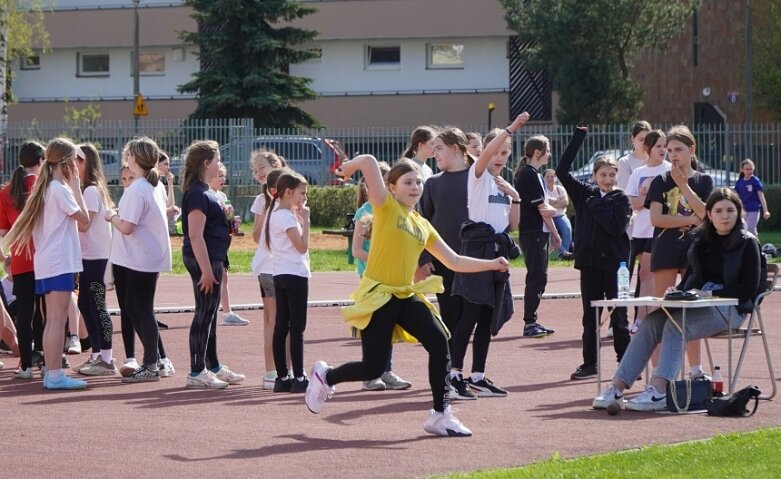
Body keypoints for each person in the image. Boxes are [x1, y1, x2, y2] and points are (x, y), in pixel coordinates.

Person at [305, 155, 510, 438]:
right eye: (408, 182)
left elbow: (453, 260)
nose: (415, 187)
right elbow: (368, 161)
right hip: (379, 295)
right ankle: (325, 376)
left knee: (440, 341)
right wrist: (350, 166)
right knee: (373, 367)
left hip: (405, 294)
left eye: (418, 182)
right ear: (392, 188)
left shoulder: (422, 224)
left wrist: (491, 264)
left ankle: (440, 414)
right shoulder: (385, 207)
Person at [597, 188, 763, 412]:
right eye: (719, 210)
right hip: (700, 300)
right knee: (651, 322)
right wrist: (678, 292)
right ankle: (616, 389)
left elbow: (749, 289)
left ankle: (660, 390)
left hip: (732, 308)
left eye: (730, 210)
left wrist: (711, 295)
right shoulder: (701, 240)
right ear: (709, 215)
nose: (725, 216)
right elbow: (693, 276)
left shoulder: (748, 242)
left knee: (677, 326)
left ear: (739, 213)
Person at [3, 137, 91, 390]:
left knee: (53, 318)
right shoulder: (59, 190)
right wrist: (76, 187)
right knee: (56, 319)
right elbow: (84, 221)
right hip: (59, 261)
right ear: (64, 162)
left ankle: (52, 372)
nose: (76, 165)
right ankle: (53, 374)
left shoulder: (45, 190)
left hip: (48, 261)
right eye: (74, 160)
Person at [447, 118, 524, 399]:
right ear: (484, 153)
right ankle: (453, 375)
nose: (500, 157)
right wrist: (511, 127)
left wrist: (515, 197)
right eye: (496, 151)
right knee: (469, 315)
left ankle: (477, 376)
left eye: (506, 153)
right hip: (477, 251)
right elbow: (486, 154)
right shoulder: (477, 176)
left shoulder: (504, 183)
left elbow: (512, 225)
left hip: (498, 253)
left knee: (487, 316)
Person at [555, 127, 632, 380]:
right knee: (590, 316)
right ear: (594, 175)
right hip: (589, 264)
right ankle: (590, 363)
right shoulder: (584, 193)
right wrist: (578, 138)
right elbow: (561, 171)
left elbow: (614, 227)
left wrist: (596, 204)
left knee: (619, 316)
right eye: (603, 175)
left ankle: (626, 362)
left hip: (615, 266)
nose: (607, 179)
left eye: (612, 175)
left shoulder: (621, 199)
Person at [645, 125, 714, 380]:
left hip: (694, 250)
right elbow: (655, 218)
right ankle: (659, 372)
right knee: (663, 309)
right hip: (665, 248)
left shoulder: (703, 180)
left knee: (690, 311)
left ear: (691, 150)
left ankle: (696, 370)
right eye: (668, 149)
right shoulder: (659, 181)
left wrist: (684, 186)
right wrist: (689, 220)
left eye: (678, 149)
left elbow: (706, 214)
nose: (672, 154)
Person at [105, 137, 173, 383]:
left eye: (128, 155)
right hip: (146, 255)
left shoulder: (137, 188)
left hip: (141, 257)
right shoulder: (153, 185)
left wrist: (111, 216)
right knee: (136, 309)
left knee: (140, 309)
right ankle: (156, 361)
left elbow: (127, 227)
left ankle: (151, 364)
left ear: (134, 158)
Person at [180, 140, 245, 389]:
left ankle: (213, 365)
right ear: (206, 163)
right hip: (204, 260)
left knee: (210, 314)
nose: (220, 165)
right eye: (217, 160)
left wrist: (229, 226)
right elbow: (195, 235)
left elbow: (210, 227)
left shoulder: (209, 192)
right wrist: (206, 270)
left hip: (214, 257)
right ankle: (197, 371)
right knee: (204, 313)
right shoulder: (197, 193)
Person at [352, 162, 412, 392]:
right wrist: (382, 260)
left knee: (390, 326)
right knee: (375, 327)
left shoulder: (395, 210)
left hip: (393, 278)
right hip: (371, 278)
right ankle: (371, 374)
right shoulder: (365, 212)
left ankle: (386, 370)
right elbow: (357, 250)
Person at [0, 140, 46, 379]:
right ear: (41, 161)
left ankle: (25, 364)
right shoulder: (44, 187)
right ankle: (46, 359)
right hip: (44, 259)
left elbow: (3, 233)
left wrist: (9, 255)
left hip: (20, 260)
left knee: (25, 313)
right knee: (46, 312)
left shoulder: (7, 191)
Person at [71, 143, 117, 376]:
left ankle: (107, 358)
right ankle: (97, 354)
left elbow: (84, 223)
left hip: (96, 257)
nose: (73, 166)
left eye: (76, 161)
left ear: (86, 162)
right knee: (85, 304)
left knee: (98, 305)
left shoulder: (90, 190)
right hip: (88, 257)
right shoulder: (87, 189)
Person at [265, 171, 311, 393]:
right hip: (294, 274)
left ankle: (282, 376)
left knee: (282, 325)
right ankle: (299, 377)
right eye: (302, 193)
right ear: (288, 192)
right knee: (297, 327)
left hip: (280, 273)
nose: (304, 198)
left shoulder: (275, 214)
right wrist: (307, 221)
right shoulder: (286, 217)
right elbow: (301, 247)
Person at [514, 134, 562, 337]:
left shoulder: (536, 175)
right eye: (547, 151)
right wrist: (555, 220)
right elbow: (543, 208)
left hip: (538, 232)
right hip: (532, 232)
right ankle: (529, 322)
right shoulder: (528, 175)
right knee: (536, 276)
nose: (549, 155)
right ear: (537, 153)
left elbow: (544, 208)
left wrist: (554, 232)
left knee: (540, 276)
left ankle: (532, 320)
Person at [249, 149, 289, 389]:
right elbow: (255, 236)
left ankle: (290, 369)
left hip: (289, 266)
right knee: (271, 319)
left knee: (291, 319)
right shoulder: (261, 200)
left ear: (275, 164)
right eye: (255, 171)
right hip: (267, 266)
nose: (258, 173)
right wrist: (265, 211)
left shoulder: (293, 193)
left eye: (262, 167)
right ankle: (271, 371)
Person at [625, 130, 670, 332]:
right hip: (641, 230)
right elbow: (631, 202)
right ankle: (642, 318)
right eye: (658, 146)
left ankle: (651, 318)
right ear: (648, 148)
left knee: (652, 273)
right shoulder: (639, 173)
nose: (663, 150)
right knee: (644, 276)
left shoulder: (669, 170)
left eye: (664, 145)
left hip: (660, 230)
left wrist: (649, 199)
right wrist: (648, 199)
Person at [208, 163, 250, 326]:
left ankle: (226, 311)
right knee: (218, 278)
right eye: (219, 175)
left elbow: (226, 220)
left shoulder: (223, 197)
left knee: (223, 277)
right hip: (212, 244)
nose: (222, 178)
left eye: (223, 175)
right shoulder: (208, 195)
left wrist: (233, 221)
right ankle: (221, 312)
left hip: (222, 243)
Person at [734, 158, 770, 237]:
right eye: (747, 169)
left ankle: (753, 248)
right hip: (743, 210)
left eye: (751, 169)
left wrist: (766, 211)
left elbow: (761, 196)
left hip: (753, 209)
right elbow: (737, 197)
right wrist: (741, 209)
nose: (749, 171)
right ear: (742, 170)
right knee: (743, 230)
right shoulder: (739, 182)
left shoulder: (755, 181)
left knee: (750, 230)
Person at [543, 169, 573, 260]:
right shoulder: (542, 190)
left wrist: (551, 203)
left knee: (567, 228)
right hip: (547, 217)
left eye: (552, 176)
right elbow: (544, 204)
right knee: (553, 232)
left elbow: (565, 203)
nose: (550, 179)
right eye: (547, 177)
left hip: (560, 215)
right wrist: (558, 201)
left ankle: (563, 255)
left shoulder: (560, 189)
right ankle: (563, 253)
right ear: (543, 178)